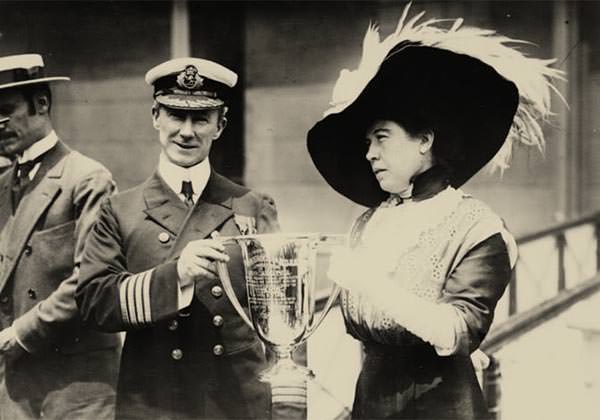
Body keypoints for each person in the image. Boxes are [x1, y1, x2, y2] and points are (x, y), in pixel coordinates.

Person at [306, 5, 563, 419]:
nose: (370, 153)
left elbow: (455, 331)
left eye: (382, 137)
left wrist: (370, 282)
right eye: (367, 142)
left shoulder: (477, 229)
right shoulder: (370, 223)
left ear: (424, 139)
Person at [76, 57, 280, 419]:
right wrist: (177, 277)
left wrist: (289, 405)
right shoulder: (119, 210)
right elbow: (94, 302)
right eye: (175, 115)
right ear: (155, 116)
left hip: (236, 404)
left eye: (201, 118)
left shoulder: (253, 206)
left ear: (221, 125)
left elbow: (280, 313)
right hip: (155, 402)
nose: (187, 131)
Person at [0, 54, 120, 419]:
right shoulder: (3, 184)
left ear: (41, 104)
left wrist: (19, 333)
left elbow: (89, 282)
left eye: (5, 111)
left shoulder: (86, 179)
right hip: (16, 383)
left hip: (76, 383)